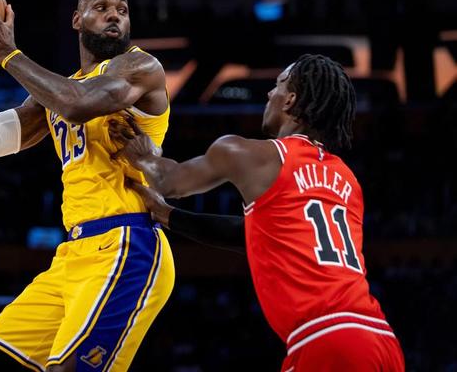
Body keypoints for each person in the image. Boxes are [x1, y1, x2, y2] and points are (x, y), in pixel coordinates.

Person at [109, 54, 405, 371]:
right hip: (381, 340)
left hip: (324, 338)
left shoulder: (252, 154)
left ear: (290, 100)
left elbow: (170, 182)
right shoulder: (348, 179)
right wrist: (167, 215)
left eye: (278, 85)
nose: (269, 93)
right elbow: (254, 235)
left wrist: (142, 154)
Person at [0, 0, 174, 372]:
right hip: (72, 255)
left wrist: (5, 51)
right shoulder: (57, 93)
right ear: (77, 20)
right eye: (101, 7)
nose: (114, 14)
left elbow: (78, 104)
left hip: (127, 245)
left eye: (122, 9)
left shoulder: (141, 67)